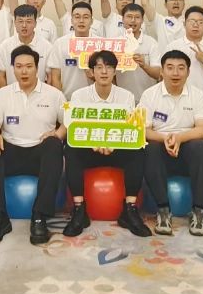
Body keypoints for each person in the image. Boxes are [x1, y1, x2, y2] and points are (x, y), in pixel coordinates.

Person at [0, 45, 66, 245]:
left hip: (40, 153)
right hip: (12, 152)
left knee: (54, 144)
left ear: (37, 67)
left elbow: (68, 123)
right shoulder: (3, 94)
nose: (24, 71)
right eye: (18, 67)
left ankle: (39, 216)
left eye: (28, 66)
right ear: (13, 69)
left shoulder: (54, 94)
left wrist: (57, 134)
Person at [63, 51, 152, 238]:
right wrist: (93, 143)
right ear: (91, 72)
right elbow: (74, 128)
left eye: (109, 67)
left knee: (138, 148)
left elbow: (130, 129)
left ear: (114, 71)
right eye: (99, 67)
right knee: (71, 148)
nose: (104, 72)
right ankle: (79, 209)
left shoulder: (126, 96)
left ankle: (130, 209)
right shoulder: (79, 96)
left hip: (116, 149)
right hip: (89, 150)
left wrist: (113, 143)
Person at [140, 50, 203, 236]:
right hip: (160, 147)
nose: (175, 73)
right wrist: (165, 139)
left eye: (181, 68)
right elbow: (143, 130)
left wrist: (179, 138)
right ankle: (163, 210)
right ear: (162, 71)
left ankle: (199, 210)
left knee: (202, 147)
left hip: (187, 147)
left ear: (188, 72)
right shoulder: (149, 95)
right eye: (170, 68)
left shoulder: (196, 94)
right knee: (150, 148)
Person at [163, 7, 203, 130]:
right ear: (184, 24)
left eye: (200, 22)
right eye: (192, 21)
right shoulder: (173, 46)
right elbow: (163, 76)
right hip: (177, 103)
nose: (196, 25)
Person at [0, 4, 53, 88]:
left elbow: (50, 77)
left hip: (38, 93)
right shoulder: (5, 46)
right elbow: (1, 76)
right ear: (15, 23)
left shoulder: (47, 47)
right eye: (20, 21)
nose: (24, 25)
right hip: (11, 93)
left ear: (35, 23)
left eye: (28, 21)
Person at [49, 2, 97, 98]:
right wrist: (61, 100)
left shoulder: (101, 43)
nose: (81, 21)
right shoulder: (60, 43)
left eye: (86, 17)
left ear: (92, 21)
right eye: (77, 17)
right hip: (67, 100)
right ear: (71, 20)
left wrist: (93, 75)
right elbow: (55, 77)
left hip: (93, 101)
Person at [114, 3, 162, 99]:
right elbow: (110, 73)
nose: (133, 20)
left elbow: (158, 74)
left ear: (142, 20)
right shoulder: (116, 43)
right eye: (129, 16)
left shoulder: (151, 43)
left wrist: (144, 65)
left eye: (137, 17)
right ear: (122, 19)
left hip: (148, 98)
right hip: (122, 99)